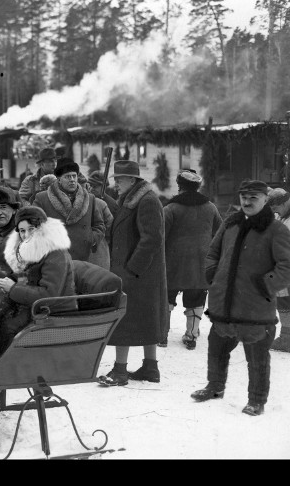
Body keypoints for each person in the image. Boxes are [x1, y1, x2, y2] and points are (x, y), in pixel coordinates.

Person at [191, 180, 290, 416]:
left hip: (256, 308)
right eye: (244, 196)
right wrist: (213, 276)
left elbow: (286, 266)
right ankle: (215, 387)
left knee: (256, 358)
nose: (247, 201)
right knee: (216, 349)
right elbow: (213, 252)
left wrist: (265, 286)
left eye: (253, 197)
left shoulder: (276, 229)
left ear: (265, 200)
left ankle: (256, 400)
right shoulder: (231, 224)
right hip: (224, 303)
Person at [98, 160, 167, 387]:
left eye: (119, 179)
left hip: (137, 274)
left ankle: (120, 371)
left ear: (133, 180)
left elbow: (152, 239)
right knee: (146, 320)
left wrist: (132, 269)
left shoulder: (146, 202)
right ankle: (150, 367)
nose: (115, 183)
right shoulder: (133, 200)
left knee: (124, 321)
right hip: (141, 275)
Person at [0, 206, 75, 354]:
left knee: (8, 328)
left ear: (42, 228)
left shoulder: (56, 253)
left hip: (52, 312)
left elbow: (49, 295)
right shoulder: (32, 249)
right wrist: (7, 279)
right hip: (35, 307)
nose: (26, 235)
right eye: (22, 231)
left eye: (31, 229)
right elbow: (26, 275)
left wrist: (13, 289)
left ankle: (6, 371)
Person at [162, 169, 222, 349]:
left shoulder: (170, 208)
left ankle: (162, 334)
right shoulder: (210, 207)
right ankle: (192, 334)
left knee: (166, 297)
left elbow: (160, 236)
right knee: (196, 297)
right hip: (201, 263)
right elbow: (220, 233)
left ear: (180, 186)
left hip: (173, 263)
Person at [33, 159, 106, 262]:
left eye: (74, 176)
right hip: (54, 259)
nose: (72, 179)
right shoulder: (42, 198)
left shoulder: (90, 199)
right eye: (67, 176)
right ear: (59, 179)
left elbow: (99, 225)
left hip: (82, 257)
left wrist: (91, 239)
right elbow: (33, 224)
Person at [267, 187, 290, 352]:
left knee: (283, 301)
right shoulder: (283, 215)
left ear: (283, 203)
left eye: (276, 209)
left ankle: (287, 338)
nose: (276, 212)